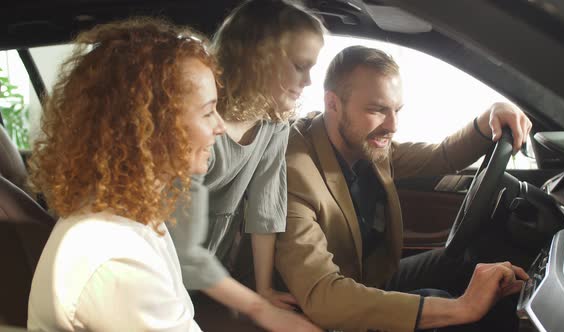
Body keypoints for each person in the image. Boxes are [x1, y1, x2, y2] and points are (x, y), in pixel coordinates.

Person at [27, 18, 318, 332]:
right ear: (151, 126)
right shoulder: (118, 259)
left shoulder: (135, 216)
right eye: (208, 112)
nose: (219, 127)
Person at [275, 45, 532, 332]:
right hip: (325, 312)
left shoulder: (363, 143)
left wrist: (491, 116)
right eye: (377, 110)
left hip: (368, 279)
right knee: (441, 303)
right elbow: (324, 296)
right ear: (332, 103)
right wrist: (461, 308)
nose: (393, 124)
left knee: (469, 261)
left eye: (397, 110)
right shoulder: (293, 172)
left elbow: (441, 156)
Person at [170, 0, 324, 316]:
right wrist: (258, 308)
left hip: (216, 259)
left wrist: (264, 289)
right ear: (257, 59)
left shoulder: (275, 123)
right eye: (299, 66)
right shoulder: (202, 122)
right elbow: (180, 240)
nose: (308, 80)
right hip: (172, 251)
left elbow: (265, 208)